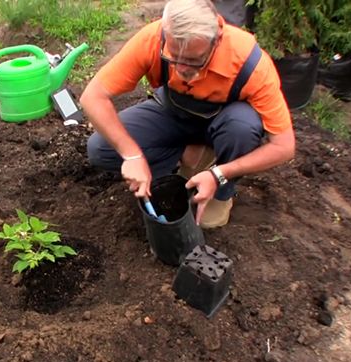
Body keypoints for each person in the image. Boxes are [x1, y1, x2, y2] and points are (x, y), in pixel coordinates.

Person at [80, 0, 295, 228]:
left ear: (217, 39)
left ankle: (221, 191)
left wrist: (219, 174)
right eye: (173, 56)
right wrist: (132, 155)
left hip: (225, 125)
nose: (181, 69)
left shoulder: (250, 63)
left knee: (242, 126)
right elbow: (92, 96)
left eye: (194, 59)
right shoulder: (153, 39)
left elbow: (284, 147)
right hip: (174, 113)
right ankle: (190, 153)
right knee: (101, 149)